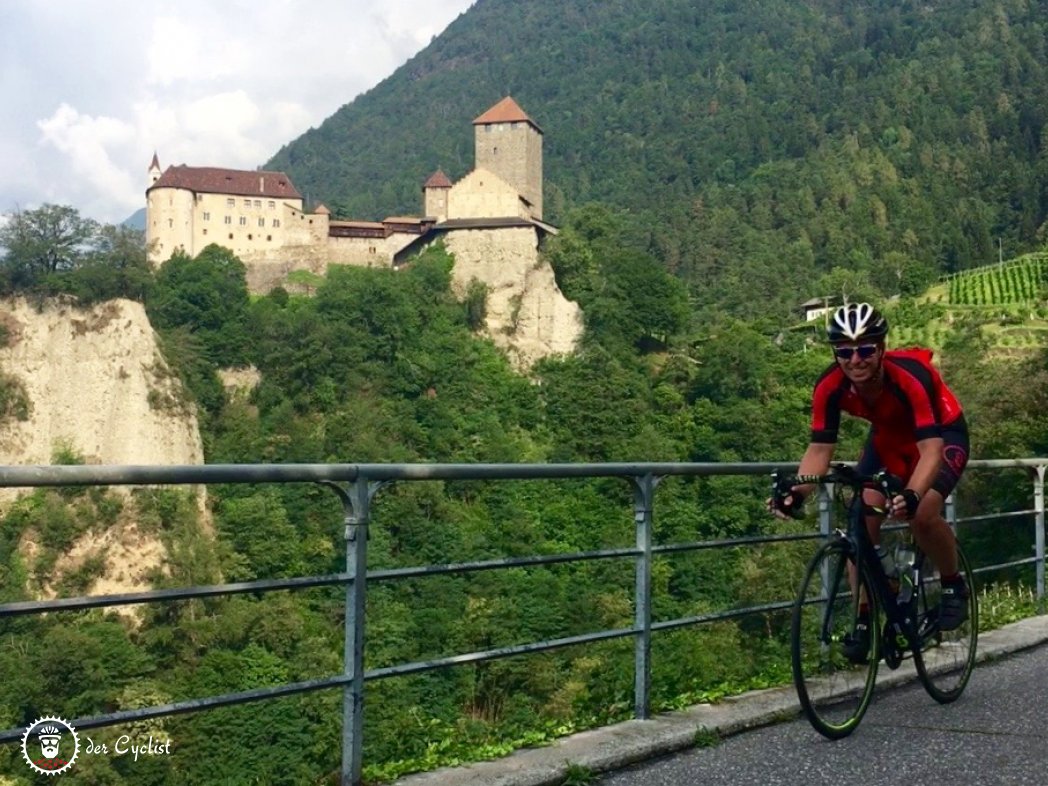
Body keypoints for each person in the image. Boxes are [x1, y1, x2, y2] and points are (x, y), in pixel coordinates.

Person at [771, 302, 971, 661]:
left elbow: (931, 450)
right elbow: (820, 449)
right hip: (889, 439)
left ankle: (953, 584)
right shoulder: (830, 386)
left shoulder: (909, 377)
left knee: (922, 514)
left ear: (880, 349)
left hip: (941, 435)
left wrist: (911, 494)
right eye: (844, 352)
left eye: (864, 349)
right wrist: (797, 491)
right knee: (862, 519)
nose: (855, 360)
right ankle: (864, 616)